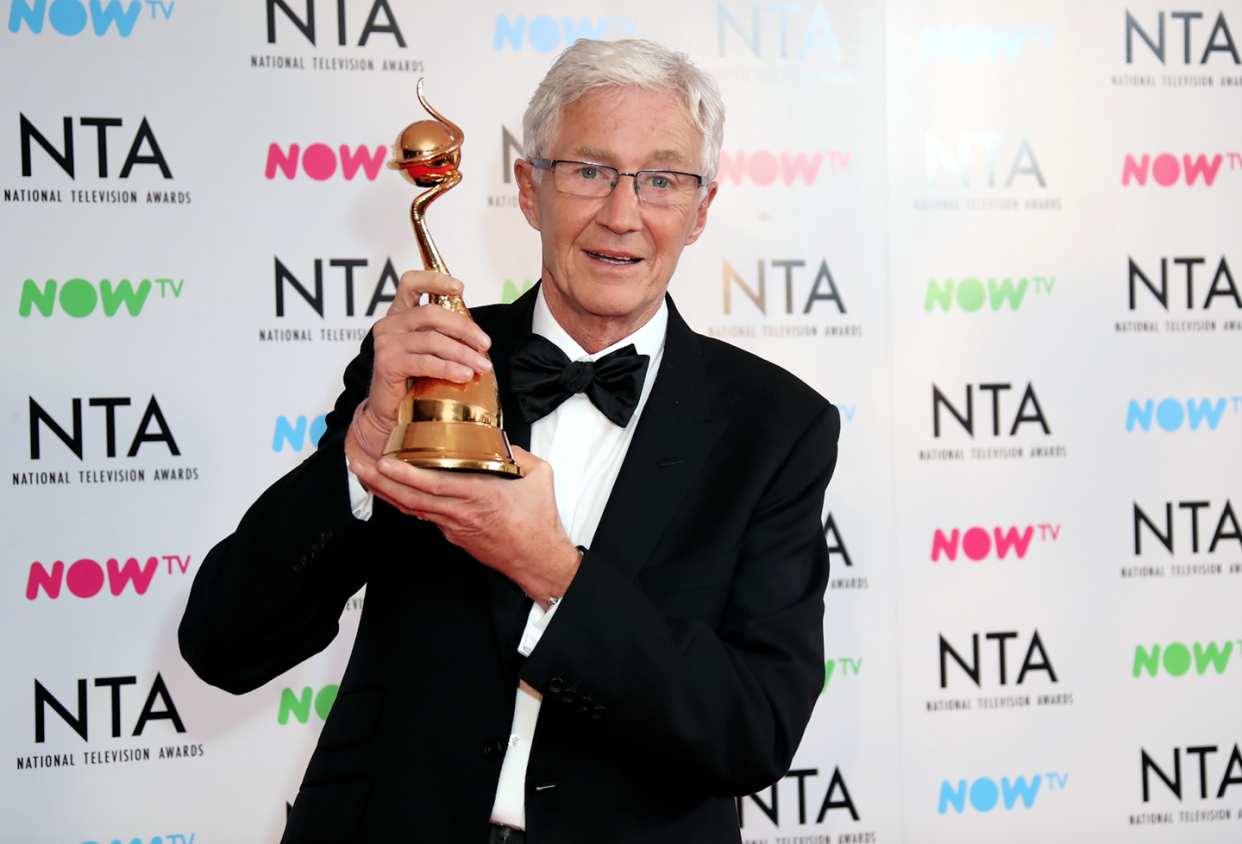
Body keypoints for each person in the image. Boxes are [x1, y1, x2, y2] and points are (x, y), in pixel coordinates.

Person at [180, 38, 840, 844]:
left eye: (662, 180)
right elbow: (223, 645)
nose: (622, 214)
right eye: (589, 171)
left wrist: (553, 571)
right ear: (530, 190)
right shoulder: (428, 362)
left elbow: (754, 729)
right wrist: (360, 454)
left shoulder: (777, 426)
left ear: (701, 210)